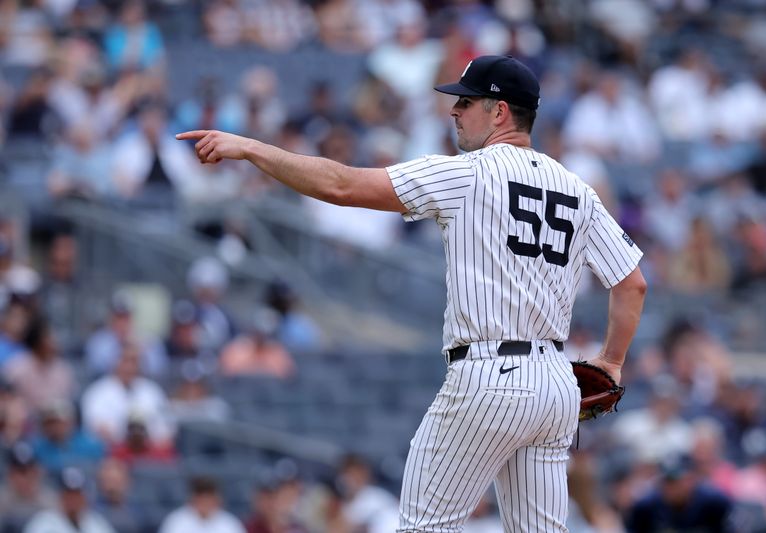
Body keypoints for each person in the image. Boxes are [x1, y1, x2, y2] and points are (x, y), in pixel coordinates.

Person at [177, 54, 647, 532]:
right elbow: (632, 282)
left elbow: (342, 186)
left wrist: (255, 149)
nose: (454, 111)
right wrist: (611, 361)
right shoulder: (578, 190)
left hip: (488, 374)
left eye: (465, 101)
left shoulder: (470, 173)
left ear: (499, 111)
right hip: (555, 386)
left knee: (423, 528)